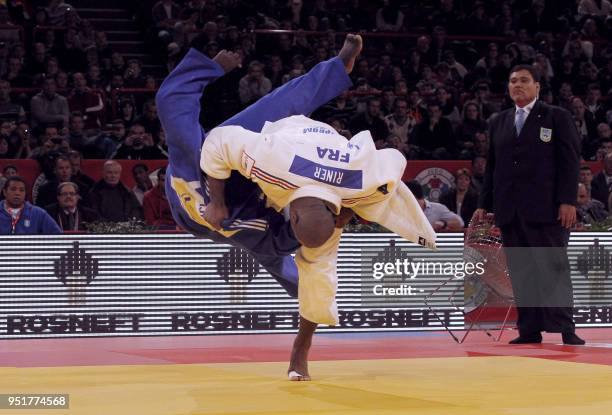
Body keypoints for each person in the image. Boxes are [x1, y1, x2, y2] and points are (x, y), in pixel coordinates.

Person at [156, 34, 435, 381]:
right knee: (266, 109)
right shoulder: (258, 159)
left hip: (282, 180)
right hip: (212, 184)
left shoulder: (348, 189)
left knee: (308, 277)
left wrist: (358, 215)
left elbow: (392, 175)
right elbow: (208, 135)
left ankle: (300, 347)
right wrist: (217, 202)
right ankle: (335, 68)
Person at [473, 65, 584, 345]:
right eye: (512, 81)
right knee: (522, 270)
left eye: (524, 81)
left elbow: (570, 162)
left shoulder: (556, 117)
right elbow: (493, 168)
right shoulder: (499, 121)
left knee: (552, 267)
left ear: (537, 87)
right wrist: (484, 203)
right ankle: (529, 329)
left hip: (547, 207)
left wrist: (568, 201)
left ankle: (565, 328)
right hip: (510, 207)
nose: (517, 85)